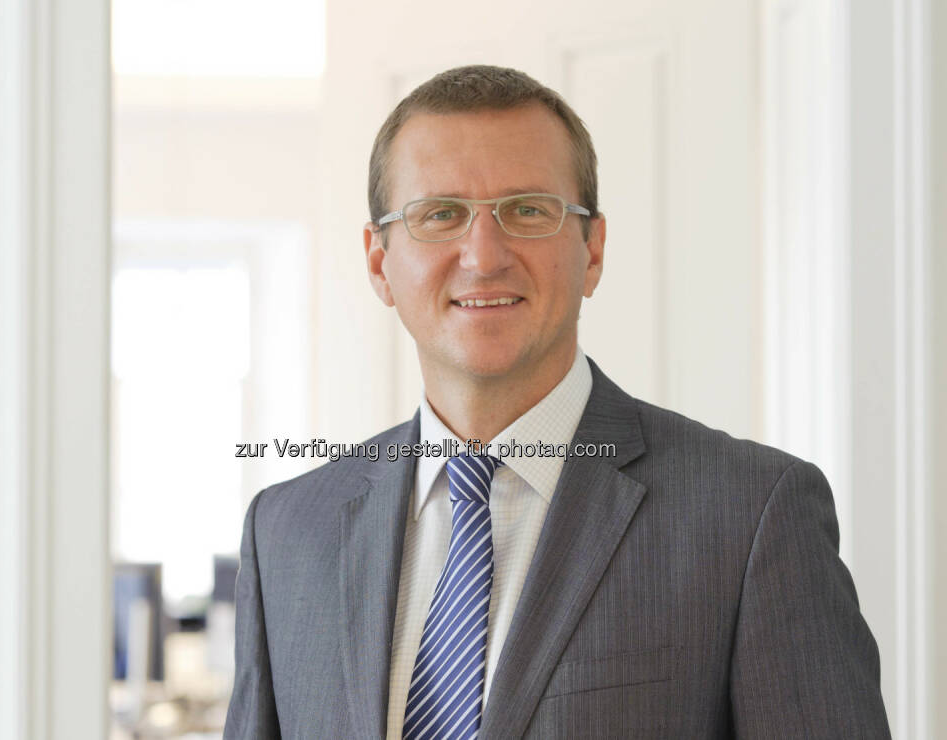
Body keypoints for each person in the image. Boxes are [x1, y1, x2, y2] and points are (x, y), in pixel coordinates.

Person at [223, 65, 890, 739]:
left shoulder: (751, 516)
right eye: (441, 214)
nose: (484, 257)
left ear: (592, 250)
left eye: (528, 210)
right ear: (378, 262)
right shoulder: (286, 534)